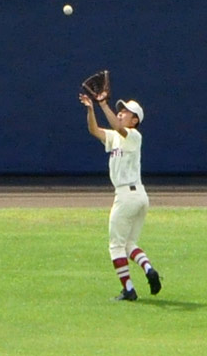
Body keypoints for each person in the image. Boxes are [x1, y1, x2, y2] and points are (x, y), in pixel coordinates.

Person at [79, 91, 161, 301]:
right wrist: (91, 109)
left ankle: (129, 290)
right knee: (129, 243)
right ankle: (149, 269)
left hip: (126, 196)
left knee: (116, 246)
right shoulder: (116, 137)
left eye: (126, 112)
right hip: (139, 196)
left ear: (135, 120)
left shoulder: (133, 135)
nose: (121, 113)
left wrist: (103, 104)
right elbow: (94, 130)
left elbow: (117, 127)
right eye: (121, 110)